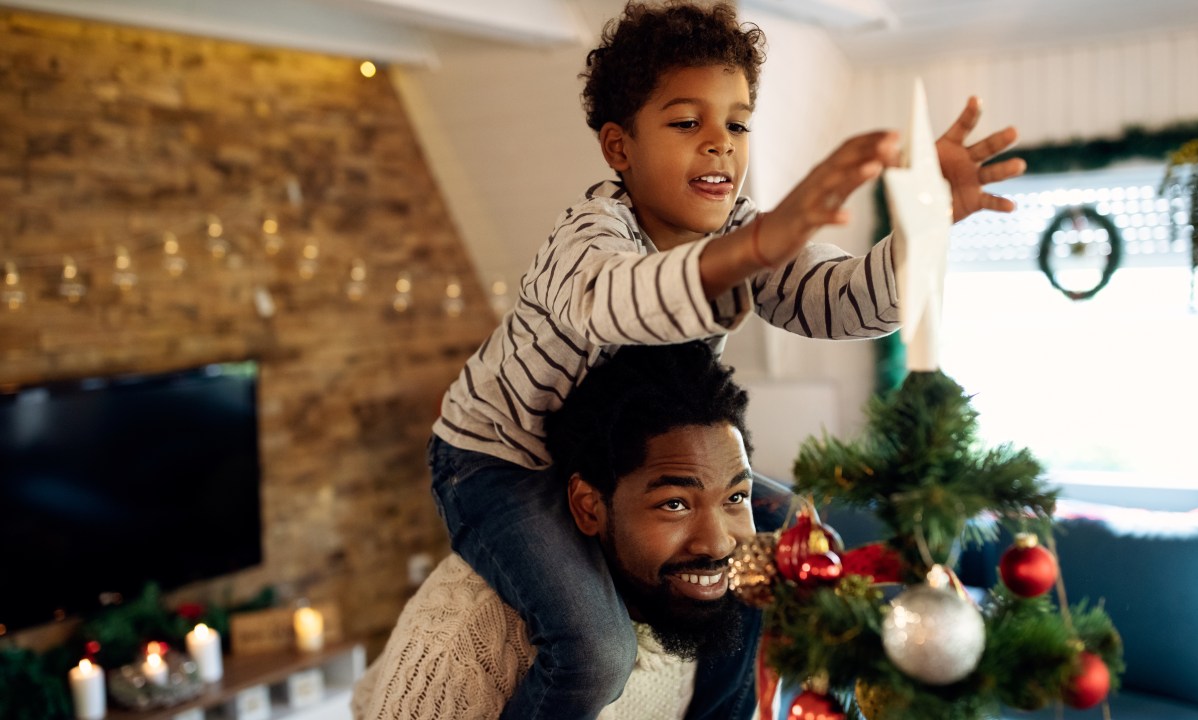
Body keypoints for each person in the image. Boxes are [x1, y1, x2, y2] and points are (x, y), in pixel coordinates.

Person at [428, 2, 1027, 718]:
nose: (720, 145)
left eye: (737, 124)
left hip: (620, 462)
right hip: (503, 463)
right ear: (619, 148)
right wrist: (758, 245)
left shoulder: (744, 230)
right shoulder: (587, 240)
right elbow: (622, 305)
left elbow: (841, 302)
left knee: (767, 556)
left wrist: (924, 228)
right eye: (687, 123)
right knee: (595, 651)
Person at [357, 342, 767, 719]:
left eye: (735, 497)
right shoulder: (468, 638)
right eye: (674, 504)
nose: (716, 542)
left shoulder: (704, 603)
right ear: (589, 507)